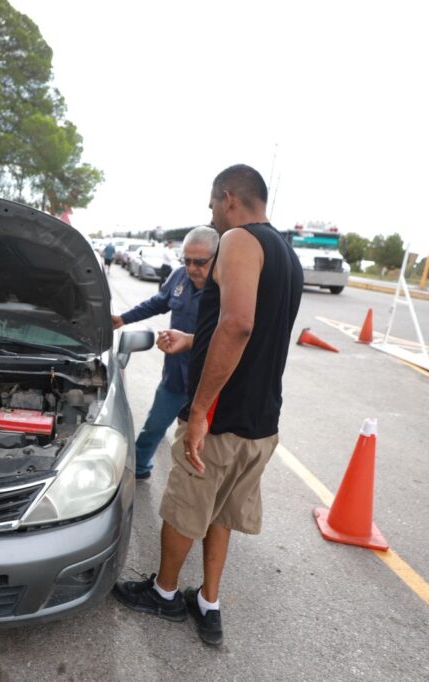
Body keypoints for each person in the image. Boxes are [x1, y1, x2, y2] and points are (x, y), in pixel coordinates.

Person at [112, 164, 303, 646]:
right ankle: (208, 601)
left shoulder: (239, 241)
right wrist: (194, 341)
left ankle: (164, 592)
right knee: (221, 513)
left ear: (228, 198)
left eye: (213, 204)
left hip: (221, 418)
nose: (212, 213)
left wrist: (198, 412)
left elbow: (237, 325)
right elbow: (255, 331)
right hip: (262, 421)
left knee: (183, 510)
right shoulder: (287, 253)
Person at [112, 226, 218, 480]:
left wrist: (191, 341)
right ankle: (137, 468)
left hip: (209, 384)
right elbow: (158, 303)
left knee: (204, 449)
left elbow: (234, 337)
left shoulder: (228, 288)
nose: (192, 268)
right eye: (187, 260)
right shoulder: (179, 277)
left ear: (217, 258)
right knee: (154, 427)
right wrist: (123, 319)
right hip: (175, 377)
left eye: (200, 262)